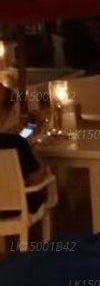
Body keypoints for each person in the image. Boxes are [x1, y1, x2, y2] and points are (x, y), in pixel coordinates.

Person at [0, 86, 51, 215]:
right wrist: (30, 143)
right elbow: (37, 178)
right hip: (12, 210)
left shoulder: (12, 140)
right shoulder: (14, 143)